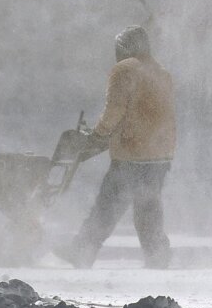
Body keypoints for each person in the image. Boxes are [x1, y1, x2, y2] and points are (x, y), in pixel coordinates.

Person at [64, 25, 176, 268]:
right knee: (148, 208)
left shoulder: (125, 70)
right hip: (160, 155)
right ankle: (158, 257)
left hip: (131, 153)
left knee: (107, 206)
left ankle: (81, 252)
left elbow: (115, 110)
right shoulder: (161, 72)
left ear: (124, 48)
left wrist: (97, 136)